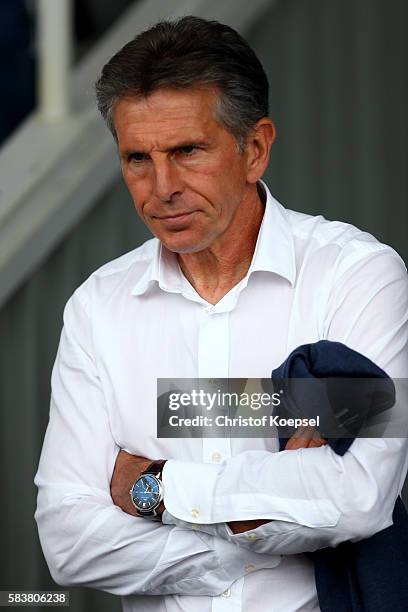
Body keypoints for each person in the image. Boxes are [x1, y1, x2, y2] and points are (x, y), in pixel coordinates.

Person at [35, 16, 408, 612]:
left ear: (255, 149)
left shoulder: (355, 276)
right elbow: (67, 540)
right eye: (137, 158)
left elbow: (359, 497)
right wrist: (254, 539)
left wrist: (152, 487)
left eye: (187, 151)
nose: (161, 188)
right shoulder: (97, 307)